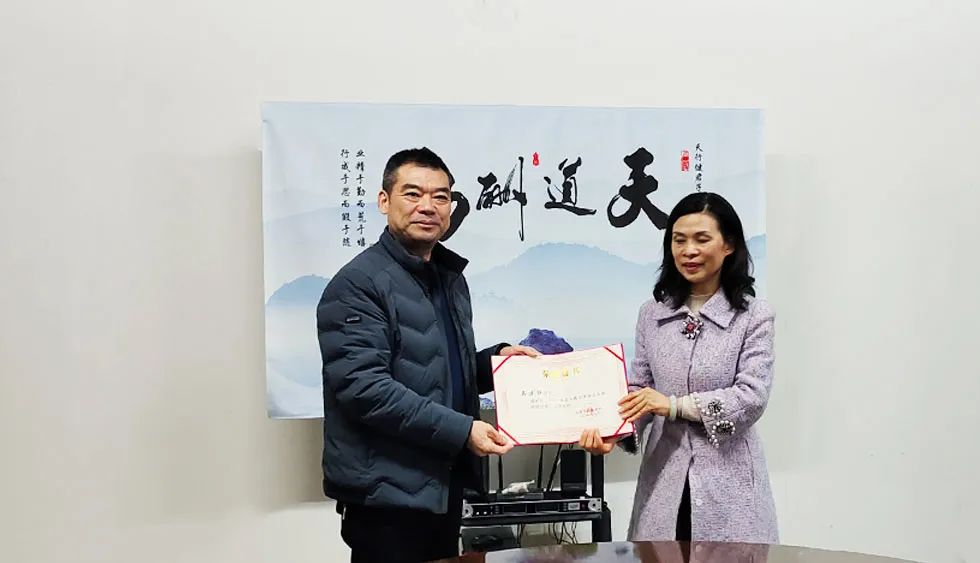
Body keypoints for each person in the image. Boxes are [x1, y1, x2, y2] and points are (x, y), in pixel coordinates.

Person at [317, 147, 539, 563]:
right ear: (384, 201)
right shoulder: (358, 285)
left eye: (441, 196)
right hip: (386, 497)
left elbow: (434, 368)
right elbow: (366, 390)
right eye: (413, 193)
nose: (428, 206)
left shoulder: (447, 278)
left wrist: (499, 364)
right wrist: (463, 430)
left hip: (440, 488)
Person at [579, 192, 779, 543]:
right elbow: (640, 389)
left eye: (702, 239)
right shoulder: (652, 314)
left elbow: (752, 397)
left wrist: (673, 406)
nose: (689, 250)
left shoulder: (753, 316)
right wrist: (615, 431)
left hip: (729, 488)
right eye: (679, 240)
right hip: (664, 480)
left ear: (729, 245)